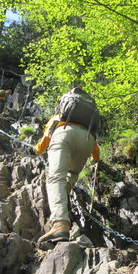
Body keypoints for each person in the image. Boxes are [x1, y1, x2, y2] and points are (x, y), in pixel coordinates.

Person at [34, 87, 100, 243]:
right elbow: (96, 150)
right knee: (72, 175)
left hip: (64, 135)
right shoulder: (88, 120)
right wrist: (95, 159)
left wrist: (36, 149)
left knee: (56, 178)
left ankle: (60, 224)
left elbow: (43, 144)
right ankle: (62, 203)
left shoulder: (59, 117)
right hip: (88, 141)